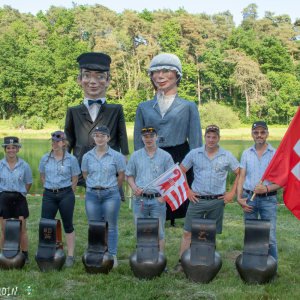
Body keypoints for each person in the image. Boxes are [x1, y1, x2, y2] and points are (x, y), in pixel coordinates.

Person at [134, 53, 202, 227]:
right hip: (152, 153)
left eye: (166, 71)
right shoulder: (144, 107)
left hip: (179, 153)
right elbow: (137, 138)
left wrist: (198, 161)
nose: (160, 76)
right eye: (156, 72)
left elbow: (195, 138)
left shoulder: (188, 106)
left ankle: (176, 216)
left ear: (177, 75)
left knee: (174, 189)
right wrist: (137, 160)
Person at [172, 125, 240, 274]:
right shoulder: (194, 153)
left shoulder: (227, 155)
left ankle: (206, 262)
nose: (211, 139)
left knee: (210, 234)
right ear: (205, 137)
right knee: (187, 232)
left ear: (219, 138)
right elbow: (181, 170)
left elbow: (240, 173)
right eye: (208, 136)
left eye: (214, 137)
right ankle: (182, 263)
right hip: (197, 199)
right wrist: (187, 190)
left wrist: (232, 193)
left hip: (217, 201)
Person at [64, 52, 129, 190]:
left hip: (109, 165)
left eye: (99, 76)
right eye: (87, 75)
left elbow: (122, 133)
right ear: (79, 79)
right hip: (81, 164)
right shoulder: (73, 111)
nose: (92, 81)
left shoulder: (116, 109)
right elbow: (69, 136)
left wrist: (124, 155)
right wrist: (63, 157)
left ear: (108, 81)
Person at [236, 121, 282, 280]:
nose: (259, 135)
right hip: (250, 199)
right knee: (251, 235)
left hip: (268, 199)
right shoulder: (246, 153)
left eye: (262, 132)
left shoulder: (275, 154)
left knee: (270, 237)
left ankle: (272, 270)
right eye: (256, 132)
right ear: (252, 134)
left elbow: (282, 181)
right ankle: (250, 266)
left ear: (267, 133)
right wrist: (239, 198)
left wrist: (267, 188)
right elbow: (241, 177)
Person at [81, 126, 126, 268]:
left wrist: (111, 187)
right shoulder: (87, 156)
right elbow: (85, 175)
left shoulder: (117, 156)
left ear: (108, 138)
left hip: (111, 195)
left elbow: (121, 176)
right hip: (92, 195)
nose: (100, 139)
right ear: (93, 138)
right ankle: (96, 252)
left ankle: (112, 255)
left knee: (111, 226)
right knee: (94, 226)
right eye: (97, 136)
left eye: (103, 136)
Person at [126, 126, 174, 256]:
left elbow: (172, 178)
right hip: (139, 199)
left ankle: (160, 259)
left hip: (158, 199)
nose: (149, 139)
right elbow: (129, 175)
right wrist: (134, 188)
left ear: (157, 137)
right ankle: (142, 257)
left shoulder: (165, 156)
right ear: (141, 138)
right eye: (146, 136)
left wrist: (163, 198)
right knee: (141, 230)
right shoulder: (135, 155)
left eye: (151, 136)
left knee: (159, 231)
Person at [38, 131, 80, 267]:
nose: (54, 144)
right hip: (49, 195)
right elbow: (42, 177)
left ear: (63, 143)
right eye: (53, 141)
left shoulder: (71, 159)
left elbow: (75, 179)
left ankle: (71, 256)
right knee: (46, 225)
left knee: (68, 225)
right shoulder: (45, 158)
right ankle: (46, 252)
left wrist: (68, 193)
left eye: (57, 141)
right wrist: (49, 188)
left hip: (66, 194)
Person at [0, 137, 33, 264]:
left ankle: (24, 254)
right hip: (4, 199)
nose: (11, 150)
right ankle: (4, 253)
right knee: (4, 229)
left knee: (22, 228)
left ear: (17, 149)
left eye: (13, 148)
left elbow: (29, 182)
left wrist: (22, 192)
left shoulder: (24, 165)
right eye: (8, 148)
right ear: (5, 149)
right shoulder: (0, 165)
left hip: (19, 199)